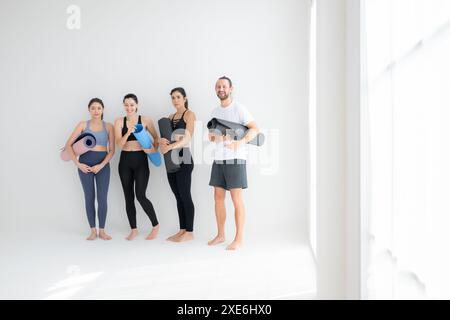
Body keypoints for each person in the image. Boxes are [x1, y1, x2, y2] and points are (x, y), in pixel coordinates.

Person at [207, 77, 260, 250]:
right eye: (218, 86)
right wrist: (216, 137)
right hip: (219, 159)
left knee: (236, 199)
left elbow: (255, 129)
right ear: (216, 89)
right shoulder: (215, 111)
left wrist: (240, 142)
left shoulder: (239, 109)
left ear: (231, 88)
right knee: (218, 198)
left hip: (236, 159)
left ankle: (239, 239)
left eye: (224, 86)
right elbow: (211, 136)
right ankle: (221, 235)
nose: (221, 89)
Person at [65, 98, 115, 240]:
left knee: (102, 198)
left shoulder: (109, 127)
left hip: (102, 165)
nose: (96, 111)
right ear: (89, 109)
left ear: (103, 109)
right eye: (93, 108)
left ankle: (102, 230)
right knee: (89, 197)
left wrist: (101, 165)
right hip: (84, 164)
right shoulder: (82, 125)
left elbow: (111, 150)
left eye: (99, 108)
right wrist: (78, 164)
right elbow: (68, 145)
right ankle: (93, 230)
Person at [114, 93, 160, 241]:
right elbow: (119, 144)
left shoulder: (145, 120)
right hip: (125, 161)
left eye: (132, 105)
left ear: (137, 105)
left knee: (140, 195)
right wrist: (128, 132)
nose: (129, 108)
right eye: (126, 105)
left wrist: (152, 150)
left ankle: (155, 225)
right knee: (128, 197)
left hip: (141, 160)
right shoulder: (119, 122)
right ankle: (133, 229)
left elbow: (156, 138)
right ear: (123, 105)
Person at [159, 87, 196, 242]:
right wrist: (162, 141)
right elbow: (166, 139)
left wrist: (170, 147)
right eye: (173, 98)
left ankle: (190, 232)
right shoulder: (170, 116)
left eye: (178, 97)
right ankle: (182, 230)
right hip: (170, 159)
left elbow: (187, 138)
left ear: (185, 98)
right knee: (178, 195)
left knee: (185, 195)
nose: (175, 100)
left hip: (184, 157)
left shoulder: (189, 114)